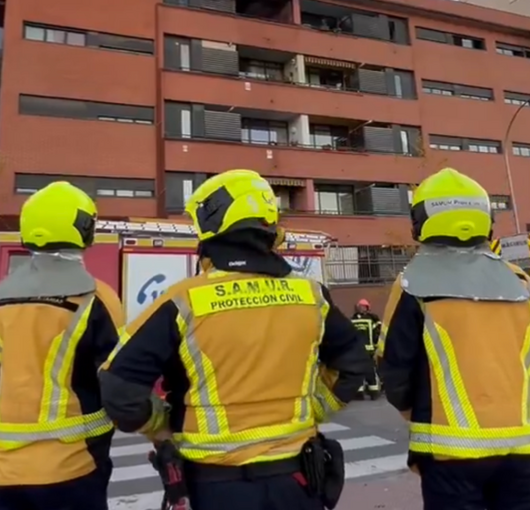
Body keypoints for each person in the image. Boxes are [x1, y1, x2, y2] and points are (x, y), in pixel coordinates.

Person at [98, 169, 374, 510]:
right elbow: (353, 365)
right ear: (269, 226)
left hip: (215, 486)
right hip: (297, 482)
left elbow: (119, 390)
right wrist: (314, 408)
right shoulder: (312, 295)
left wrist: (162, 426)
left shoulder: (184, 300)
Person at [376, 168, 530, 510]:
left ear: (422, 220)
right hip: (520, 446)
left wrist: (417, 413)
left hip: (450, 453)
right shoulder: (524, 284)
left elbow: (394, 369)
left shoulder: (414, 283)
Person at [0, 181, 126, 510]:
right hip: (75, 468)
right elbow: (118, 380)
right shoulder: (95, 298)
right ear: (85, 229)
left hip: (5, 473)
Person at [351, 300, 382, 399]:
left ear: (367, 308)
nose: (361, 308)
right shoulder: (371, 319)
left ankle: (371, 392)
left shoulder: (371, 319)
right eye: (360, 306)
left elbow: (377, 333)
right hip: (363, 349)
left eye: (363, 306)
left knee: (366, 370)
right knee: (363, 370)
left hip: (364, 350)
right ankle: (364, 392)